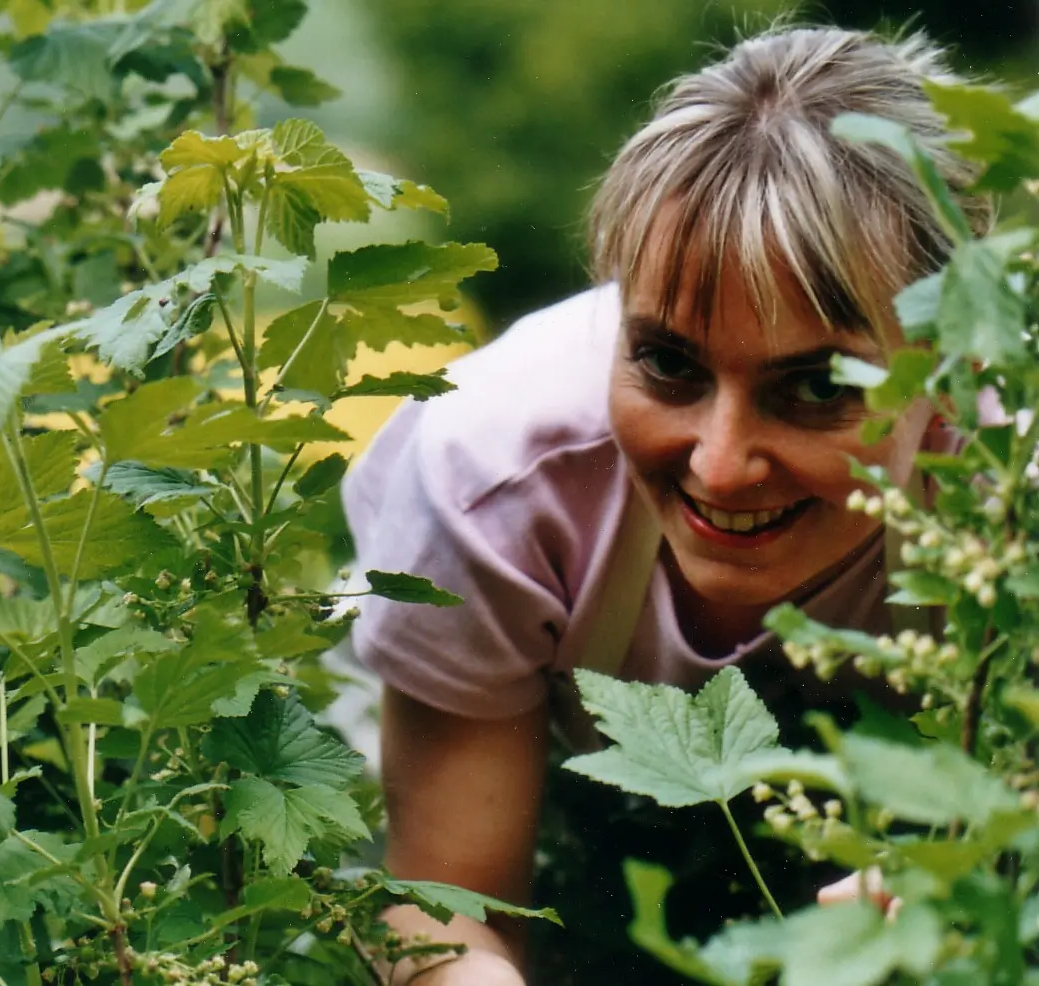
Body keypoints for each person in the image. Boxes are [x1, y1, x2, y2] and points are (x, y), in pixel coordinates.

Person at [342, 26, 985, 986]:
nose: (721, 469)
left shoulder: (1006, 489)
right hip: (549, 799)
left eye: (815, 388)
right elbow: (442, 911)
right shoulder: (490, 473)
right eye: (669, 363)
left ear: (952, 362)